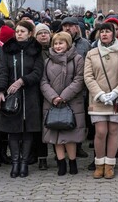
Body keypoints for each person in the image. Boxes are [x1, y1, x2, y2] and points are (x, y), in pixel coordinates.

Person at [0, 20, 44, 178]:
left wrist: (22, 80)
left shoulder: (36, 49)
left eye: (22, 31)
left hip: (30, 95)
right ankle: (15, 163)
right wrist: (0, 91)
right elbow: (2, 72)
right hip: (11, 96)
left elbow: (38, 72)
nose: (19, 34)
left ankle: (24, 163)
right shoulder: (8, 50)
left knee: (28, 131)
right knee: (13, 131)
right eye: (17, 31)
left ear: (30, 33)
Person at [84, 22, 118, 179]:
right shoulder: (91, 53)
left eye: (107, 31)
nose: (104, 34)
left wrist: (116, 92)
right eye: (101, 31)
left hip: (116, 99)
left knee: (113, 131)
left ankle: (110, 165)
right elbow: (88, 76)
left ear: (114, 34)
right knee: (100, 132)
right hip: (98, 99)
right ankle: (99, 164)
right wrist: (99, 94)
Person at [40, 32, 85, 176]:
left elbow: (79, 80)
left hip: (71, 103)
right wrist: (53, 97)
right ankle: (61, 164)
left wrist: (64, 96)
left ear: (68, 43)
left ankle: (72, 162)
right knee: (56, 135)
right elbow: (43, 81)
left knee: (70, 135)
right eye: (56, 43)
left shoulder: (77, 59)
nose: (58, 46)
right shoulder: (47, 61)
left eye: (61, 43)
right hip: (52, 103)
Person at [61, 16, 91, 158]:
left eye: (70, 25)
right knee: (61, 118)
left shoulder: (85, 44)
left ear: (76, 27)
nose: (67, 28)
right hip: (60, 87)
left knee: (79, 120)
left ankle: (77, 147)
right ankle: (62, 148)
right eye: (64, 26)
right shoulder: (57, 42)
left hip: (81, 88)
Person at [32, 23, 52, 170]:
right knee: (39, 127)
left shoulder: (56, 48)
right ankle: (41, 157)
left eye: (46, 32)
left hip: (54, 92)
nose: (43, 35)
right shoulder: (31, 51)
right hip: (36, 92)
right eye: (40, 33)